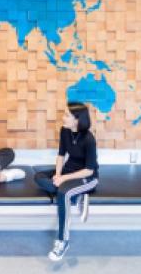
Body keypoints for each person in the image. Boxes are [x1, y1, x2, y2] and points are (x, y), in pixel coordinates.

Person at [34, 102, 99, 261]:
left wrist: (63, 178)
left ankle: (63, 241)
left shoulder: (89, 139)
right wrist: (57, 174)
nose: (62, 117)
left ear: (77, 120)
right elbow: (61, 155)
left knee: (63, 193)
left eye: (66, 115)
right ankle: (77, 196)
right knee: (38, 176)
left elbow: (89, 170)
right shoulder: (65, 131)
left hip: (88, 177)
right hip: (68, 172)